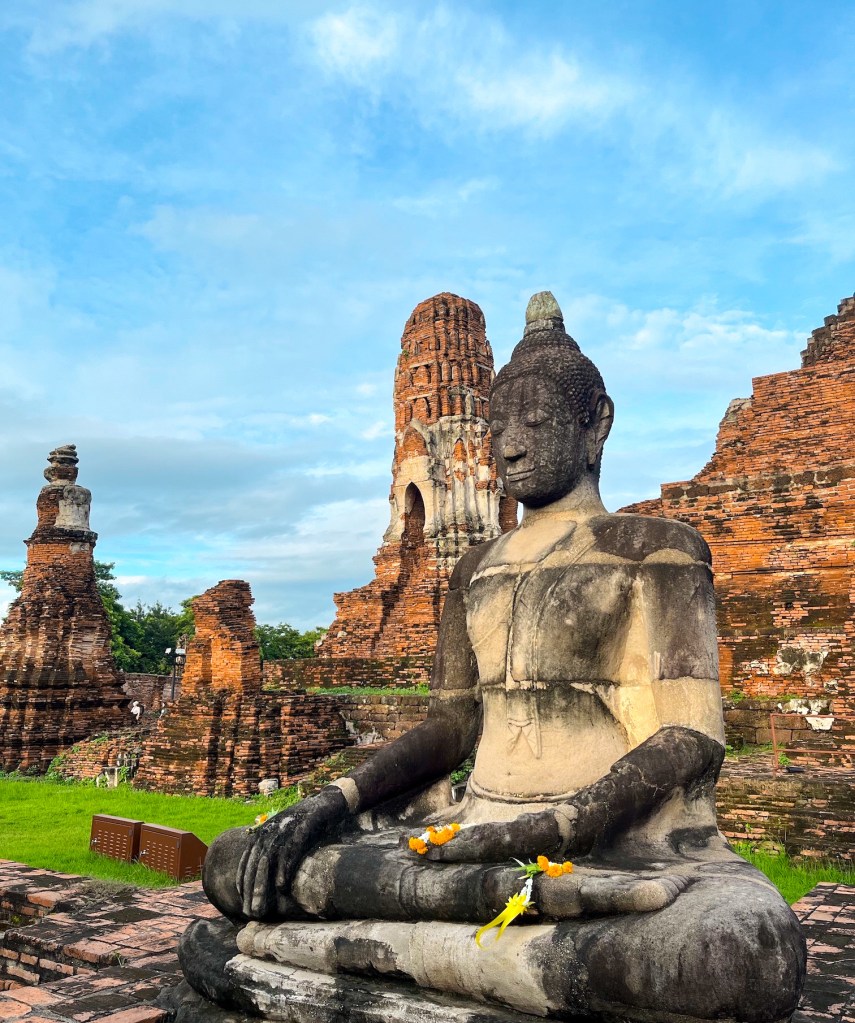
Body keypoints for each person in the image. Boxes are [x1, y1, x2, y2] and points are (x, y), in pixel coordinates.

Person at [181, 293, 805, 1023]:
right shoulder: (472, 567)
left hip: (611, 846)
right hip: (466, 834)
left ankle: (327, 955)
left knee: (734, 951)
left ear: (594, 424)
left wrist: (556, 826)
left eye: (533, 422)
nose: (509, 444)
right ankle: (483, 953)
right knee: (237, 860)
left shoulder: (655, 548)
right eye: (496, 426)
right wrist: (335, 800)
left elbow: (689, 734)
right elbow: (452, 724)